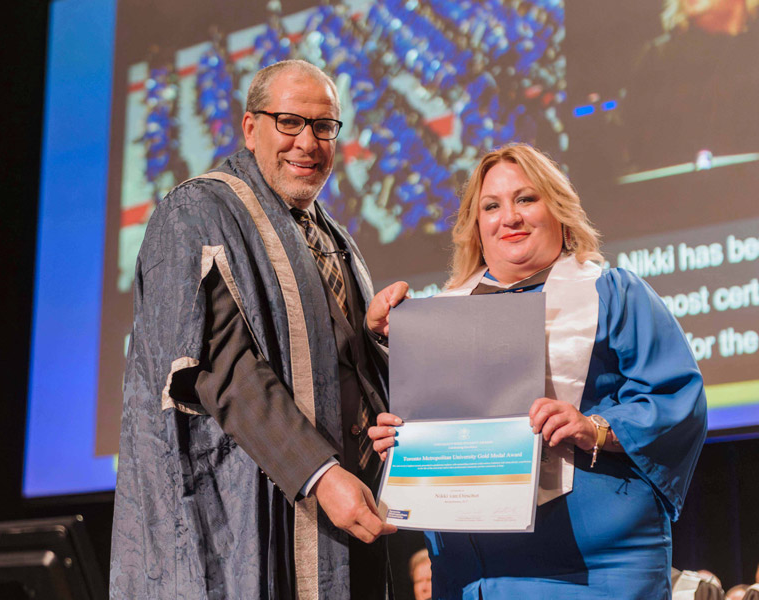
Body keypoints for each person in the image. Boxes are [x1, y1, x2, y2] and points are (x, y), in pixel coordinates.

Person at [368, 143, 707, 599]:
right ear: (476, 227)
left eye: (526, 199)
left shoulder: (614, 295)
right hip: (473, 571)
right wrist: (400, 436)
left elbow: (676, 400)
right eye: (492, 206)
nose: (510, 217)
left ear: (560, 211)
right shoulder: (437, 318)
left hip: (596, 569)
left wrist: (594, 428)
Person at [110, 59, 396, 600]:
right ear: (250, 127)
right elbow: (221, 364)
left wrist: (377, 337)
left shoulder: (331, 235)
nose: (307, 143)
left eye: (324, 126)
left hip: (354, 509)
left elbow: (339, 366)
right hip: (261, 510)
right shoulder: (197, 211)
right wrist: (319, 474)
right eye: (289, 122)